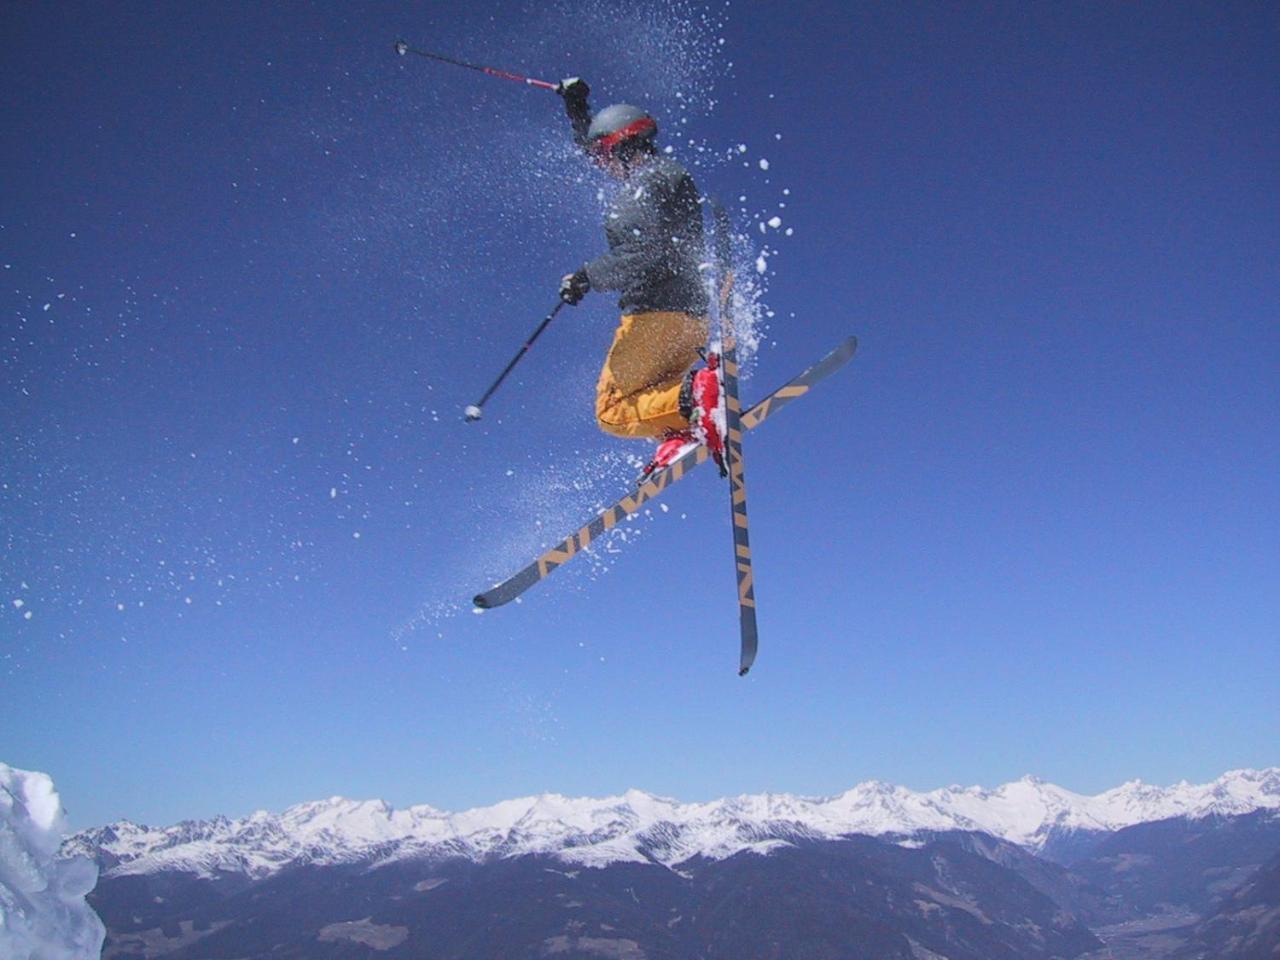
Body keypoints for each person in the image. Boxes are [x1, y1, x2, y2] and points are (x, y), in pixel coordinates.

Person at [555, 77, 725, 475]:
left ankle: (697, 397)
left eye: (604, 155)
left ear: (620, 145)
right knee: (653, 397)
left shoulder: (642, 188)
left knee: (611, 410)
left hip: (654, 319)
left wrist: (585, 276)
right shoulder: (667, 176)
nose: (601, 165)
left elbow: (648, 252)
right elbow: (594, 143)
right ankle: (682, 428)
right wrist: (577, 108)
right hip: (691, 321)